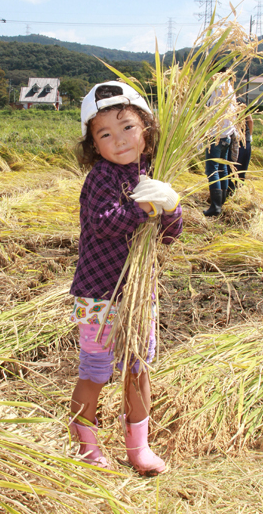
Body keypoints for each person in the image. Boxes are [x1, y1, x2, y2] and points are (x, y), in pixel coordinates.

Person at [69, 80, 182, 476]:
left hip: (140, 295)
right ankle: (86, 442)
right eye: (105, 133)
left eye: (127, 126)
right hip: (99, 295)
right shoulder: (100, 179)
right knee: (96, 372)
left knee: (138, 368)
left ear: (146, 129)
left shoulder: (154, 173)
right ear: (93, 145)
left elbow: (168, 235)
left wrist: (170, 207)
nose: (118, 140)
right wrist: (147, 207)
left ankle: (139, 446)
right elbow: (104, 224)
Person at [203, 68, 237, 217]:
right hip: (227, 134)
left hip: (216, 135)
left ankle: (215, 206)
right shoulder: (230, 88)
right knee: (222, 168)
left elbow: (211, 111)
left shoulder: (217, 89)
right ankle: (221, 202)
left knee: (213, 169)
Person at [227, 109, 254, 195]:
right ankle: (239, 192)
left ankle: (230, 190)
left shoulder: (231, 104)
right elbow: (250, 121)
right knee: (241, 170)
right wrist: (250, 135)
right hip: (245, 140)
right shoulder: (243, 103)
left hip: (234, 141)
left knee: (229, 169)